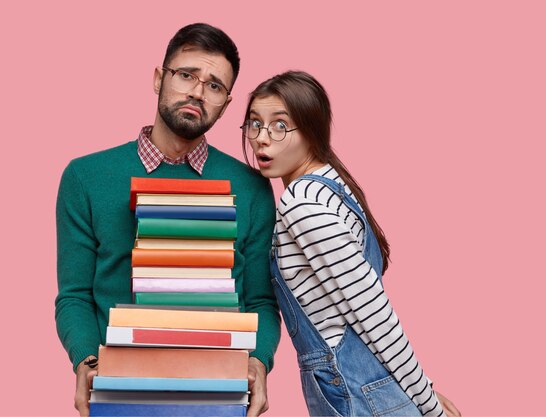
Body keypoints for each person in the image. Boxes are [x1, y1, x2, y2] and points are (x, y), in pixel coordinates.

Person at [55, 23, 281, 417]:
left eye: (214, 86)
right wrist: (87, 363)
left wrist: (258, 362)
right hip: (121, 388)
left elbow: (261, 300)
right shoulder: (85, 177)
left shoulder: (252, 188)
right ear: (160, 78)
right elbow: (74, 295)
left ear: (226, 105)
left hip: (220, 392)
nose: (197, 91)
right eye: (187, 75)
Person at [241, 71, 461, 417]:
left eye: (280, 125)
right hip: (376, 389)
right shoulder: (332, 184)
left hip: (359, 395)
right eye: (254, 124)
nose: (261, 139)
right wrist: (425, 390)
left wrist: (429, 404)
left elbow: (374, 313)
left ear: (311, 130)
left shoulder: (301, 203)